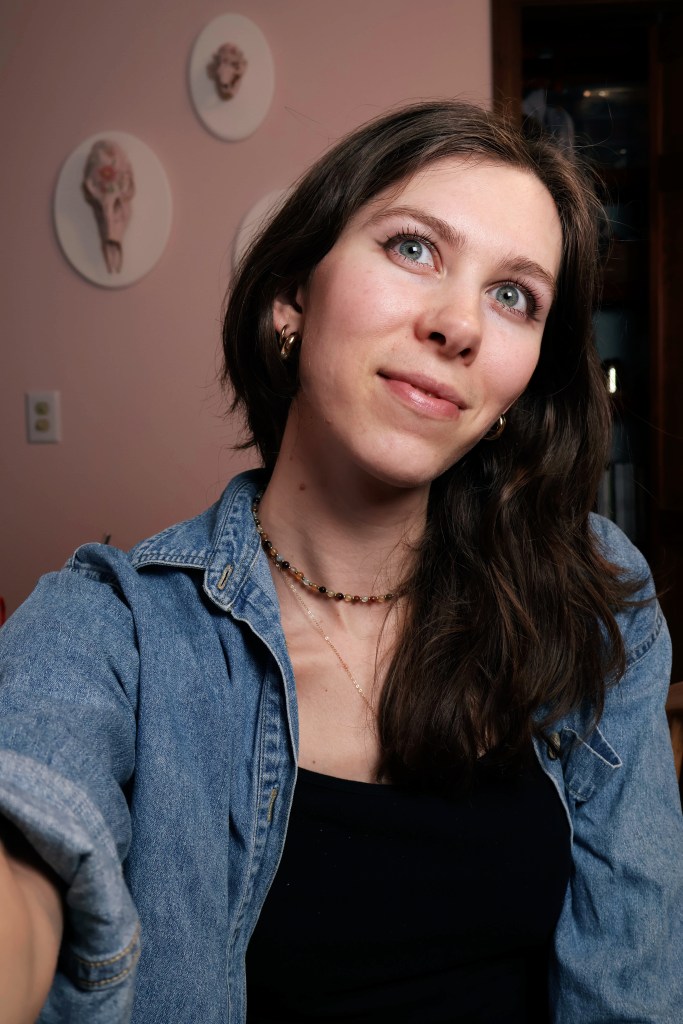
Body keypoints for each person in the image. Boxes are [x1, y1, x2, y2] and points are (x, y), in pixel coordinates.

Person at [0, 100, 681, 1024]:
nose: (458, 325)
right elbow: (27, 850)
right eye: (413, 248)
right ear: (291, 300)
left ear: (521, 386)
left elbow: (629, 988)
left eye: (512, 295)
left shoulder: (596, 599)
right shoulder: (112, 627)